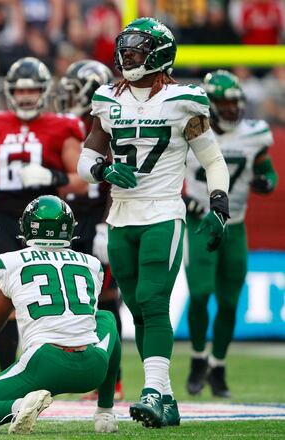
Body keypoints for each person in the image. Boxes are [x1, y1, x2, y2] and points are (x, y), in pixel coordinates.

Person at [77, 17, 231, 428]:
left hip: (163, 210)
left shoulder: (184, 100)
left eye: (136, 50)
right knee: (137, 310)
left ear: (159, 54)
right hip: (120, 215)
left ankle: (152, 391)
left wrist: (218, 204)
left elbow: (213, 159)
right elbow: (87, 154)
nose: (128, 57)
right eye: (124, 49)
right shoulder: (107, 98)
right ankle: (166, 399)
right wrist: (101, 172)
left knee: (151, 299)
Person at [0, 195, 121, 434]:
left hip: (45, 364)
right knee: (107, 319)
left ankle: (20, 406)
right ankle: (105, 412)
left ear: (27, 228)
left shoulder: (9, 262)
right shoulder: (91, 264)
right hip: (92, 367)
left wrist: (7, 298)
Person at [0, 56, 87, 373]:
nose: (25, 97)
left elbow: (82, 180)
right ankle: (7, 373)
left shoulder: (62, 126)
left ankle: (45, 369)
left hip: (47, 224)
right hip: (2, 216)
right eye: (19, 91)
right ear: (10, 93)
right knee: (4, 297)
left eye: (32, 91)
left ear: (43, 92)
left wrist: (51, 178)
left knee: (43, 301)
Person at [184, 69, 278, 398]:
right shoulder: (191, 131)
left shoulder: (254, 134)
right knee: (199, 294)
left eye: (233, 103)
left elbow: (267, 172)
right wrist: (187, 203)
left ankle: (218, 365)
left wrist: (266, 182)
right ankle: (197, 359)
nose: (229, 109)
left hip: (235, 225)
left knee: (228, 301)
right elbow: (167, 173)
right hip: (200, 224)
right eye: (222, 103)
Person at [54, 59, 125, 400]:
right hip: (74, 221)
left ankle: (115, 380)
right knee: (78, 300)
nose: (67, 97)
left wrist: (105, 225)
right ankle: (82, 373)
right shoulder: (67, 127)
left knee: (107, 301)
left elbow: (117, 183)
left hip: (99, 218)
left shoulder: (113, 123)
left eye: (73, 90)